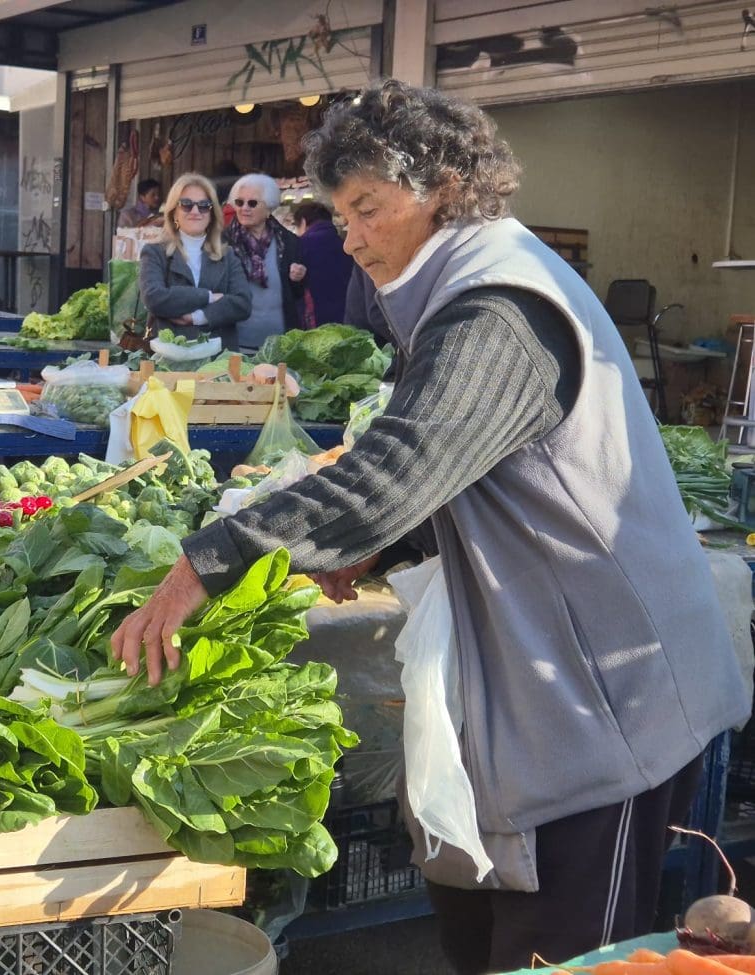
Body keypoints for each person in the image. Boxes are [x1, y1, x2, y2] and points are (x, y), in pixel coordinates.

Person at [111, 80, 749, 975]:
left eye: (369, 208)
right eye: (341, 215)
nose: (351, 237)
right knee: (484, 941)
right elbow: (476, 470)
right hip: (537, 692)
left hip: (604, 709)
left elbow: (396, 468)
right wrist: (391, 540)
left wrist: (204, 564)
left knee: (565, 960)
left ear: (444, 189)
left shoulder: (498, 306)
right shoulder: (458, 285)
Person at [137, 172, 252, 350]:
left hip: (218, 358)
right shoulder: (154, 252)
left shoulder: (227, 255)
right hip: (169, 357)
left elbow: (242, 304)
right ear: (174, 211)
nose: (195, 211)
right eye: (186, 204)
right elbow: (154, 298)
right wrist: (208, 296)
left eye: (204, 205)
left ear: (212, 212)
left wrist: (197, 317)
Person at [224, 173, 306, 352]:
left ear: (269, 208)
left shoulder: (288, 242)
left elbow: (297, 294)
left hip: (281, 344)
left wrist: (298, 278)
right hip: (236, 344)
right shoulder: (223, 243)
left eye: (252, 203)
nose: (244, 208)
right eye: (239, 202)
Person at [292, 200, 354, 327]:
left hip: (316, 318)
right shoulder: (344, 243)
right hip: (347, 315)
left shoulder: (301, 245)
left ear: (303, 222)